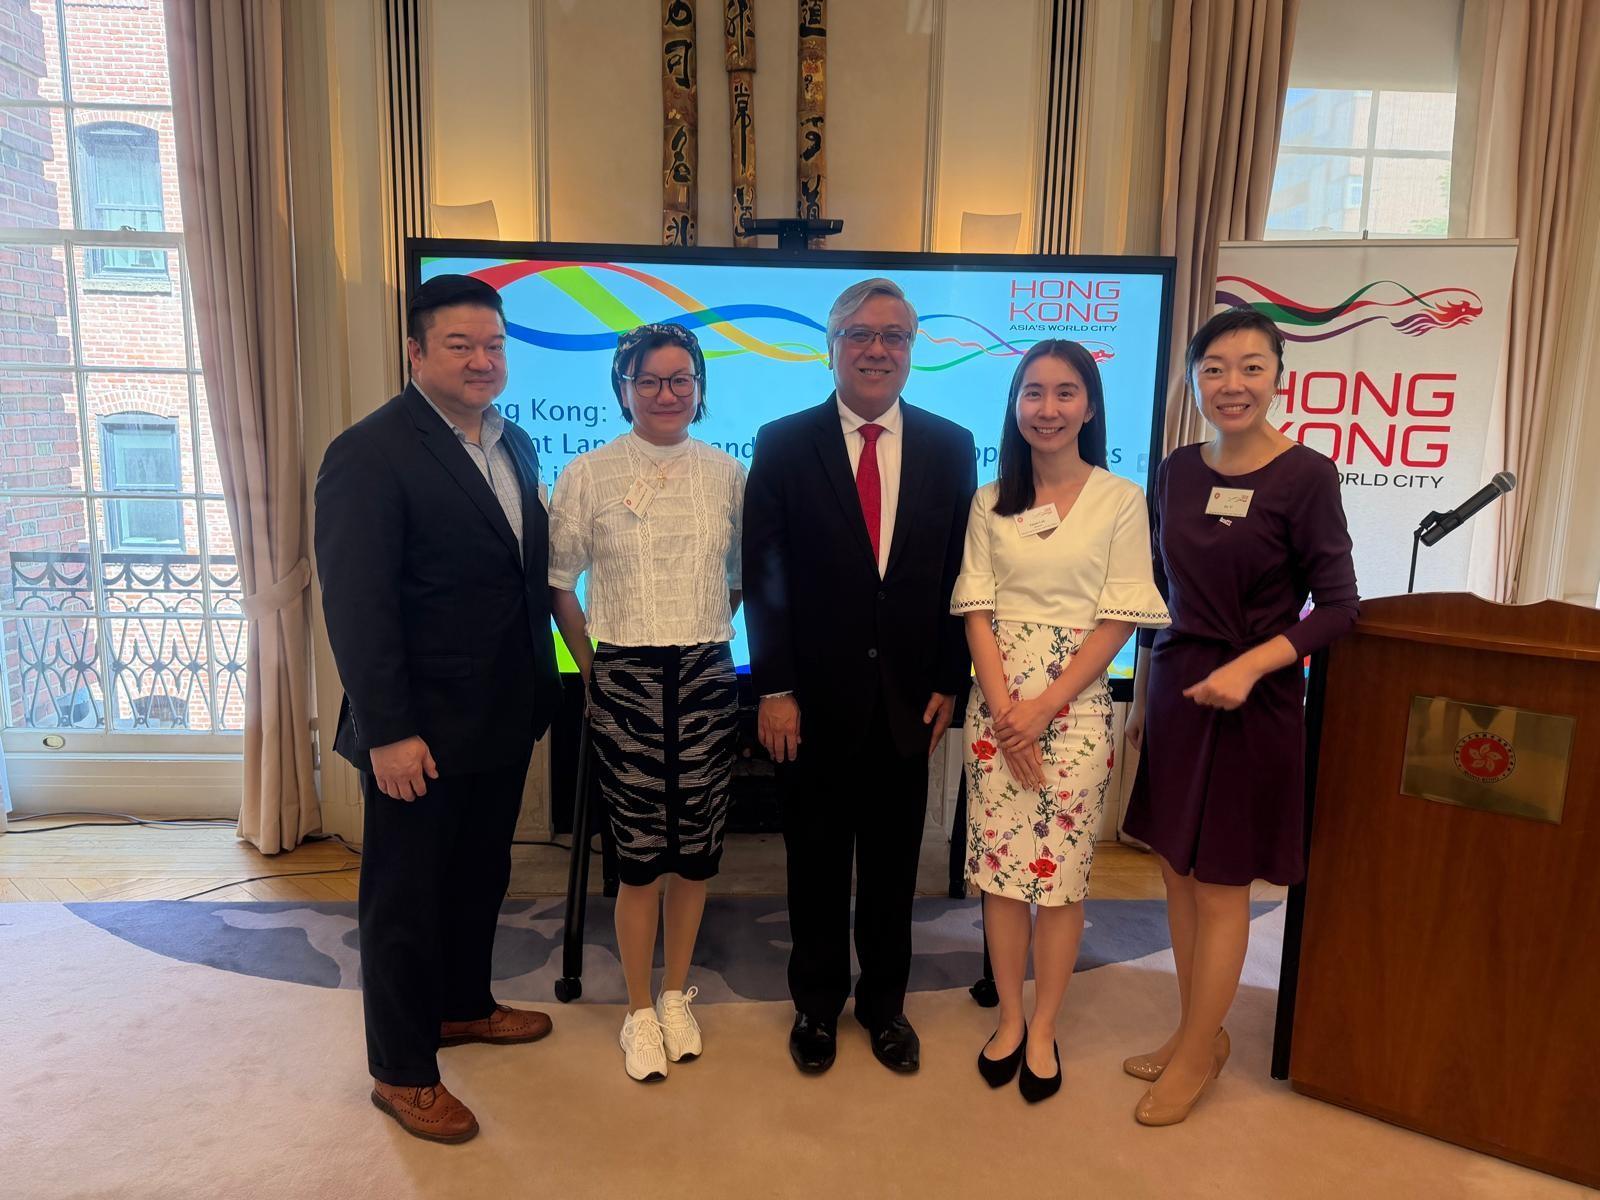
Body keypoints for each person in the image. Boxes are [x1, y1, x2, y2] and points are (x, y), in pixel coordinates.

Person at [314, 274, 562, 1144]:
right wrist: (387, 730)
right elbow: (357, 604)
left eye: (493, 346)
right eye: (460, 345)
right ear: (416, 352)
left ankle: (462, 1007)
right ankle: (402, 1071)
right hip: (416, 729)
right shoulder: (369, 452)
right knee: (405, 900)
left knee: (479, 877)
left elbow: (515, 575)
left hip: (500, 713)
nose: (481, 360)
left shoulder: (516, 442)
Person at [1121, 306, 1359, 1126]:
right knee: (1175, 872)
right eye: (1216, 368)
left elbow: (1337, 609)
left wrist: (1254, 664)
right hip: (1179, 686)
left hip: (1254, 700)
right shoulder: (1178, 469)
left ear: (1278, 376)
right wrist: (1142, 696)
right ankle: (1200, 1031)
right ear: (1192, 382)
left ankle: (1195, 1054)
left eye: (1252, 367)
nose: (1233, 384)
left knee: (1222, 884)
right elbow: (1158, 588)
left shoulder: (1307, 476)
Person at [743, 278, 977, 1075]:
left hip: (909, 701)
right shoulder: (781, 441)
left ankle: (885, 1009)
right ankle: (814, 1007)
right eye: (861, 334)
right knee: (812, 865)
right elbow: (764, 572)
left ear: (912, 350)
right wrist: (773, 688)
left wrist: (953, 676)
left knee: (890, 868)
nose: (878, 349)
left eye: (896, 336)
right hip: (808, 703)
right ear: (831, 346)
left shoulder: (950, 445)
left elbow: (959, 574)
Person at [953, 340, 1169, 1102]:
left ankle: (1045, 1024)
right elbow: (976, 609)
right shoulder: (989, 500)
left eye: (1065, 393)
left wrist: (1044, 707)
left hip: (1074, 706)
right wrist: (1008, 711)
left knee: (1060, 880)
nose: (1048, 409)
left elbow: (1119, 617)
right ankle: (1009, 1018)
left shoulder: (1121, 498)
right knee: (1003, 879)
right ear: (1015, 406)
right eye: (1034, 393)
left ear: (1090, 404)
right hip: (998, 700)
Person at [547, 323, 744, 1083]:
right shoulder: (588, 474)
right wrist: (592, 667)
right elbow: (561, 580)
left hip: (703, 671)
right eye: (649, 381)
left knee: (694, 853)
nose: (666, 394)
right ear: (623, 389)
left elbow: (733, 575)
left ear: (699, 387)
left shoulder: (727, 475)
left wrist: (700, 629)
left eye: (680, 380)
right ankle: (635, 1010)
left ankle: (673, 995)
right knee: (637, 859)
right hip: (621, 672)